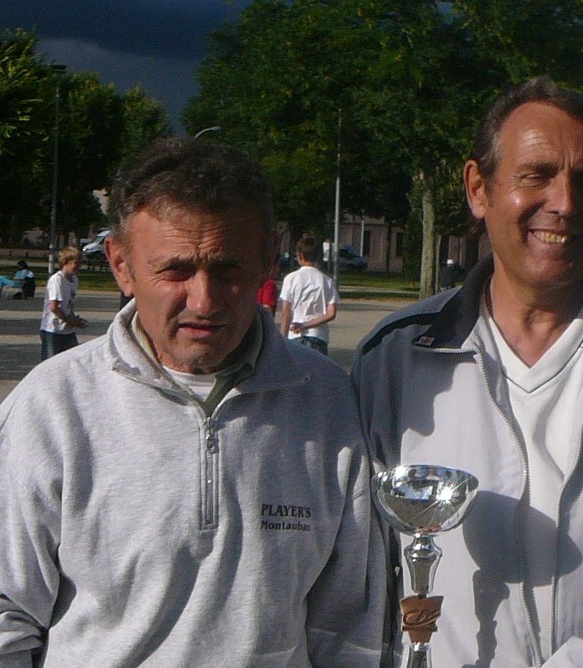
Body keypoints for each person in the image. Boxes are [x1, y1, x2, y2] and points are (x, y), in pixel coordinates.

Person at [352, 77, 583, 667]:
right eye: (537, 174)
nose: (564, 202)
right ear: (479, 188)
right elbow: (354, 567)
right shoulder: (395, 359)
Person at [0, 138, 386, 666]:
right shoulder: (52, 408)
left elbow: (348, 622)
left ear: (266, 258)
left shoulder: (327, 402)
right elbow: (8, 615)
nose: (203, 301)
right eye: (175, 271)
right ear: (120, 264)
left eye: (227, 269)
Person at [280, 235, 338, 356]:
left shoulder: (291, 279)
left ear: (300, 255)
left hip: (295, 336)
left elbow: (286, 312)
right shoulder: (327, 281)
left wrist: (282, 340)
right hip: (318, 336)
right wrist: (306, 325)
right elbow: (331, 313)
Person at [39, 246, 87, 360]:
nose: (79, 266)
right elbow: (54, 307)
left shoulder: (74, 280)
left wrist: (75, 319)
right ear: (65, 262)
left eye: (80, 262)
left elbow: (68, 305)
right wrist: (70, 321)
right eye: (76, 263)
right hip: (53, 330)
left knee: (72, 362)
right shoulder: (57, 280)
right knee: (51, 364)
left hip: (67, 330)